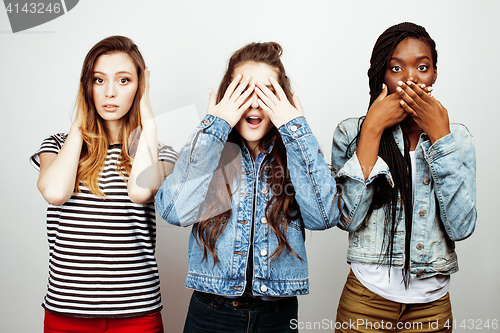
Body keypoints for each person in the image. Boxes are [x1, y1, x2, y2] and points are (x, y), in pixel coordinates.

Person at [155, 42, 343, 333]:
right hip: (211, 313)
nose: (254, 104)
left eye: (266, 93)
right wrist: (215, 126)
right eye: (244, 92)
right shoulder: (208, 149)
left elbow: (324, 217)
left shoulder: (298, 152)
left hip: (277, 317)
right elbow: (174, 211)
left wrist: (295, 128)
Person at [331, 22, 476, 332]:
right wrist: (372, 129)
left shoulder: (457, 139)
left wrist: (440, 136)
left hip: (432, 306)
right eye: (396, 68)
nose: (410, 78)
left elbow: (462, 226)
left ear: (434, 74)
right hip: (365, 301)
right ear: (382, 76)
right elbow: (348, 218)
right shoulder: (350, 132)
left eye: (422, 67)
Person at [30, 35, 177, 333]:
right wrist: (80, 121)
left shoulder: (159, 152)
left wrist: (148, 122)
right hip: (66, 313)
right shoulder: (58, 145)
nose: (110, 92)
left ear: (140, 86)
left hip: (137, 314)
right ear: (87, 86)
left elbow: (139, 191)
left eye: (123, 81)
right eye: (99, 80)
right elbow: (56, 193)